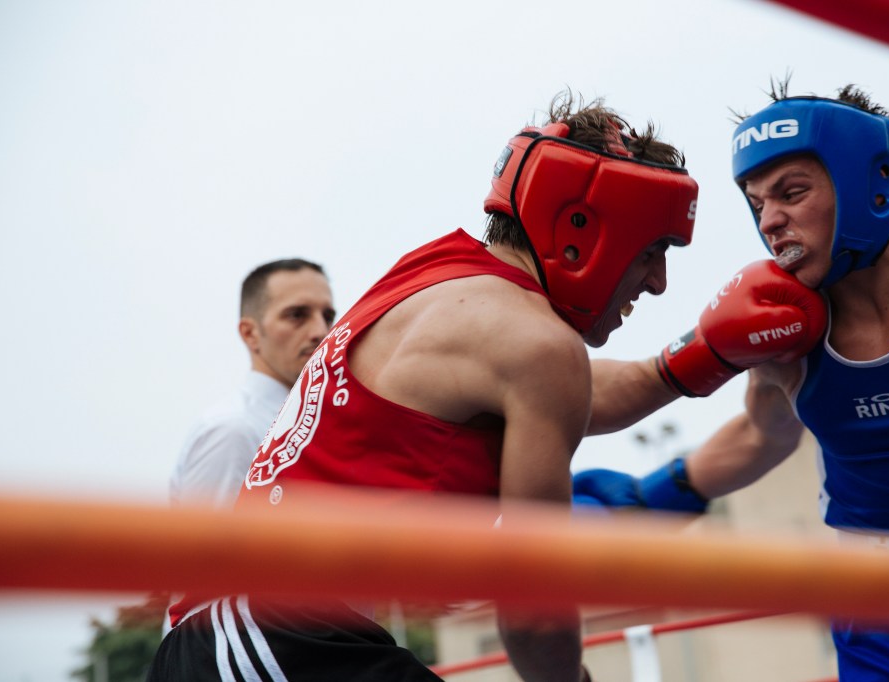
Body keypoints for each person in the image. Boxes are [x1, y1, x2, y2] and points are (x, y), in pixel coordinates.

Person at [148, 91, 827, 682]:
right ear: (585, 229)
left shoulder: (439, 276)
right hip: (267, 638)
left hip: (252, 640)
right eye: (652, 251)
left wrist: (702, 356)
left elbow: (575, 394)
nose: (657, 283)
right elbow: (532, 608)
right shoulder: (537, 345)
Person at [573, 83, 889, 681]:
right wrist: (652, 497)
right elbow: (764, 434)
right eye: (757, 203)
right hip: (875, 608)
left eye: (792, 192)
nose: (770, 220)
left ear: (872, 181)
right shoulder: (784, 330)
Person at [169, 258, 336, 509]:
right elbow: (205, 536)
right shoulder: (234, 432)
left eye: (328, 316)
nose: (321, 331)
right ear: (250, 333)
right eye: (297, 315)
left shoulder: (309, 424)